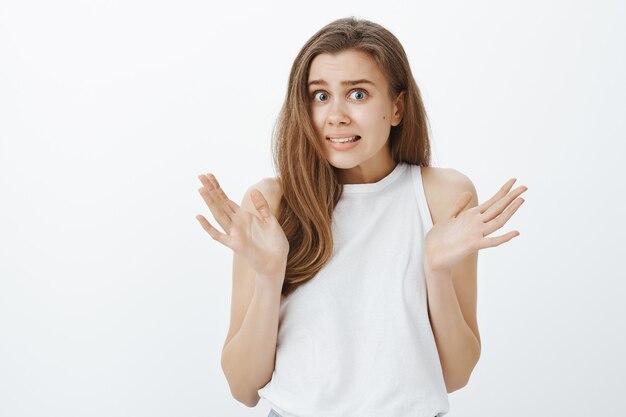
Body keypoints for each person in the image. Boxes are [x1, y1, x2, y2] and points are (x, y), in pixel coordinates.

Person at [195, 16, 527, 417]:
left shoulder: (442, 196)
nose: (336, 115)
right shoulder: (272, 204)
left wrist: (436, 270)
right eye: (320, 96)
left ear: (397, 107)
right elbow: (243, 387)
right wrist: (269, 276)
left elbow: (455, 375)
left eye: (357, 94)